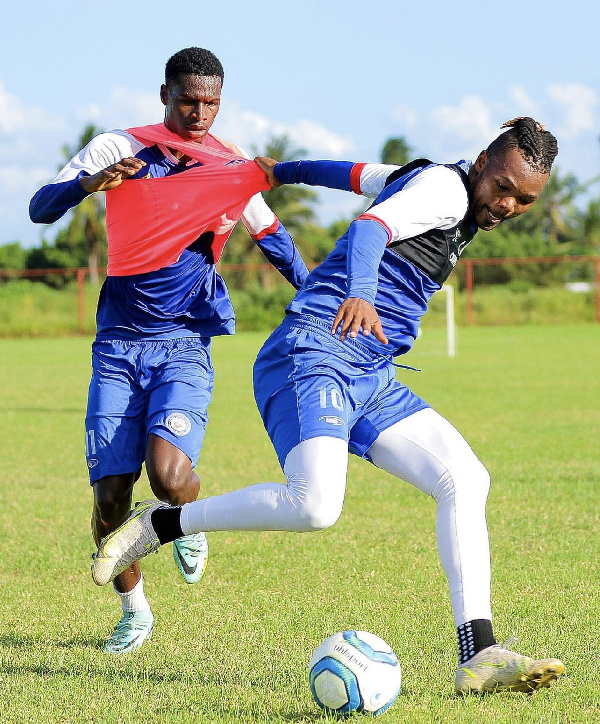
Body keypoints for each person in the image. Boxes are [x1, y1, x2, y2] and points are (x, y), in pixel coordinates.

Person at [90, 117, 565, 693]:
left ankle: (479, 652)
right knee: (316, 506)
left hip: (369, 370)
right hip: (314, 351)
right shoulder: (444, 190)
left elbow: (349, 174)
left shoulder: (423, 179)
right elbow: (370, 230)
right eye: (505, 187)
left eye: (525, 200)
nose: (509, 204)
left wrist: (279, 171)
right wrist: (361, 291)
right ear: (485, 159)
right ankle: (164, 523)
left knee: (465, 478)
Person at [29, 47, 308, 654]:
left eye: (212, 102)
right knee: (109, 500)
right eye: (189, 100)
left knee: (169, 478)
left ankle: (188, 519)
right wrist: (91, 183)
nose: (201, 113)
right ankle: (134, 611)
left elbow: (275, 242)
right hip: (117, 348)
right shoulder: (119, 147)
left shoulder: (231, 166)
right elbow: (39, 209)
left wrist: (320, 299)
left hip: (184, 343)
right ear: (164, 94)